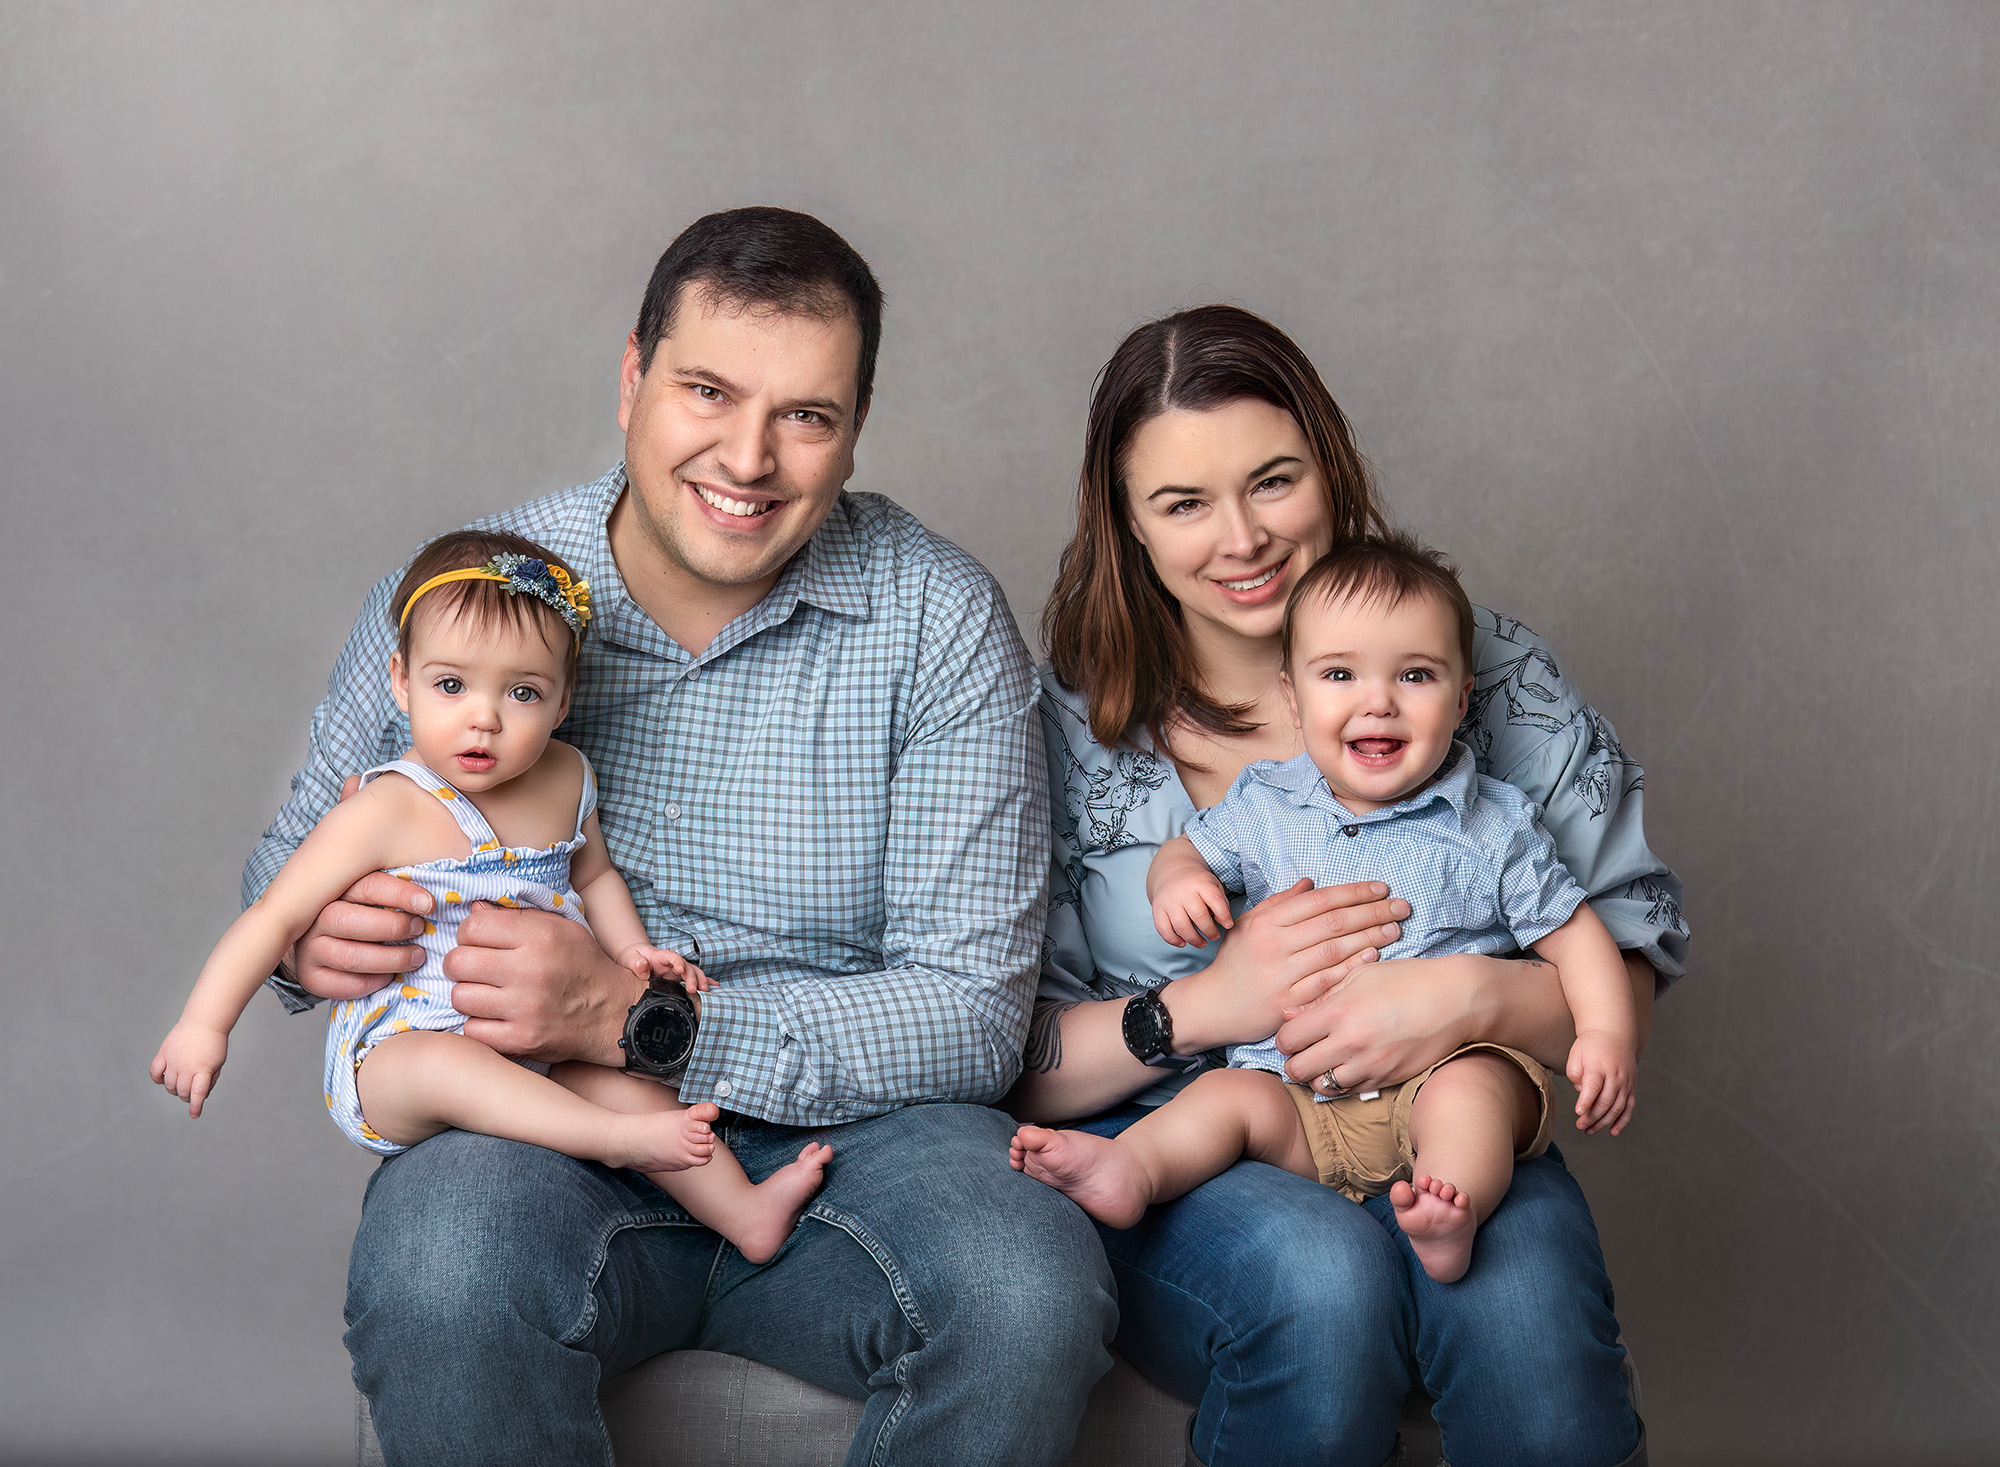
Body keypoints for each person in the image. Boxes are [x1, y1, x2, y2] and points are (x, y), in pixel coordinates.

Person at [253, 208, 1113, 1466]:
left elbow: (972, 1012)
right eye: (706, 390)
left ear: (854, 431)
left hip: (866, 1146)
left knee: (1027, 1288)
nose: (749, 457)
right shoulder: (481, 595)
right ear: (630, 378)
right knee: (441, 1270)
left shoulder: (936, 620)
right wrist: (311, 943)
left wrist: (637, 1016)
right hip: (546, 1131)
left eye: (806, 416)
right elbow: (280, 884)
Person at [1012, 304, 1688, 1467]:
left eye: (1272, 481)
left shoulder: (1480, 676)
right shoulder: (1059, 733)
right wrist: (1207, 1007)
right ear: (1125, 526)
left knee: (1521, 1313)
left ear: (1330, 466)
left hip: (1447, 1101)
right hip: (1192, 1137)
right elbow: (997, 1056)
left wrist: (1465, 1001)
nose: (1241, 539)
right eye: (1181, 504)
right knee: (1318, 1284)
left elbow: (1618, 955)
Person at [152, 528, 831, 1264]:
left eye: (523, 692)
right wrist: (203, 1023)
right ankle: (612, 1143)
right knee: (452, 1068)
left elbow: (595, 876)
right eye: (451, 685)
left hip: (536, 1037)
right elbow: (274, 915)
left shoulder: (567, 777)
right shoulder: (386, 809)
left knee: (634, 1088)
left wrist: (634, 949)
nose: (485, 718)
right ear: (399, 681)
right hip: (402, 1051)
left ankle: (746, 1214)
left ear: (564, 697)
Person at [1013, 534, 1638, 1286]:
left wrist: (1606, 1032)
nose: (1378, 700)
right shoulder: (1268, 802)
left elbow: (1575, 933)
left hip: (1432, 1076)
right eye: (1340, 674)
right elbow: (1187, 851)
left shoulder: (1493, 825)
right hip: (1296, 1096)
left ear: (1463, 697)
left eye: (1415, 674)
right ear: (1293, 696)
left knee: (1473, 1093)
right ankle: (1133, 1168)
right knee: (1225, 1097)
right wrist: (1174, 883)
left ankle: (1451, 1206)